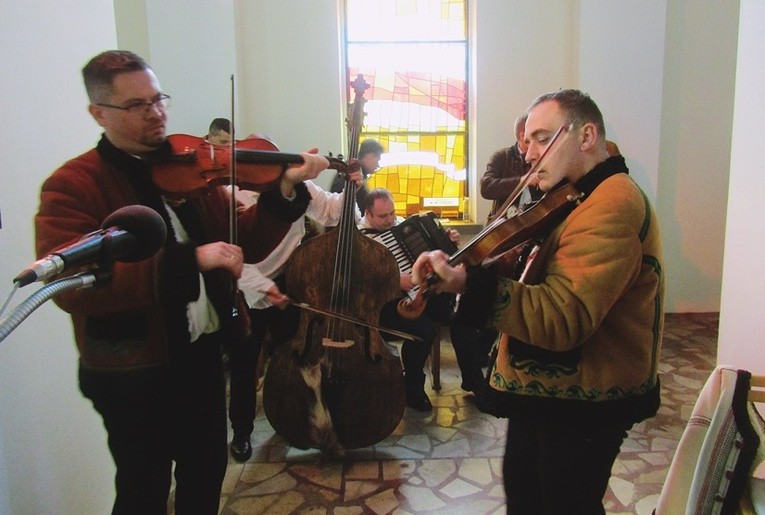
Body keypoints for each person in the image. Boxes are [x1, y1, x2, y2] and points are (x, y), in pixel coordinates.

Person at [33, 50, 330, 514]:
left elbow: (241, 243)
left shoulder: (190, 170)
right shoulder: (74, 184)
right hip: (134, 368)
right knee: (143, 487)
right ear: (99, 113)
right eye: (137, 105)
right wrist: (189, 260)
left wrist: (285, 189)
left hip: (201, 355)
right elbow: (73, 282)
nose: (157, 113)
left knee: (205, 473)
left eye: (158, 98)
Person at [411, 89, 664, 514]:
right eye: (527, 141)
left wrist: (467, 286)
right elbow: (542, 265)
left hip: (584, 399)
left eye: (542, 138)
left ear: (586, 136)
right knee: (528, 493)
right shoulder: (578, 195)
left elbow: (567, 316)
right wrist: (470, 268)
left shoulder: (612, 204)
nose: (528, 155)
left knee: (561, 503)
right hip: (554, 389)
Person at [227, 169, 364, 462]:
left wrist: (352, 188)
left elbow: (333, 212)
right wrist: (264, 287)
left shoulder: (296, 184)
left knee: (297, 357)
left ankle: (291, 417)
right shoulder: (232, 193)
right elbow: (231, 254)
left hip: (290, 278)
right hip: (244, 284)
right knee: (245, 363)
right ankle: (242, 431)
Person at [359, 188, 486, 410]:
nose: (390, 220)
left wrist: (446, 242)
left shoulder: (403, 227)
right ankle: (413, 388)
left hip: (424, 296)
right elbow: (360, 282)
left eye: (391, 213)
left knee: (463, 317)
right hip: (386, 306)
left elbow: (429, 254)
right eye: (383, 216)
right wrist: (395, 280)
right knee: (422, 331)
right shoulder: (359, 240)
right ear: (367, 214)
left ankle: (475, 381)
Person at [480, 113, 543, 220]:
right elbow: (486, 188)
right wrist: (522, 181)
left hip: (536, 221)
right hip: (504, 225)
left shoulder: (543, 156)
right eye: (535, 134)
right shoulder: (501, 156)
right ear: (523, 136)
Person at [330, 138, 383, 209]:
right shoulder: (353, 176)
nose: (378, 165)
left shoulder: (352, 171)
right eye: (377, 160)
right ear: (368, 156)